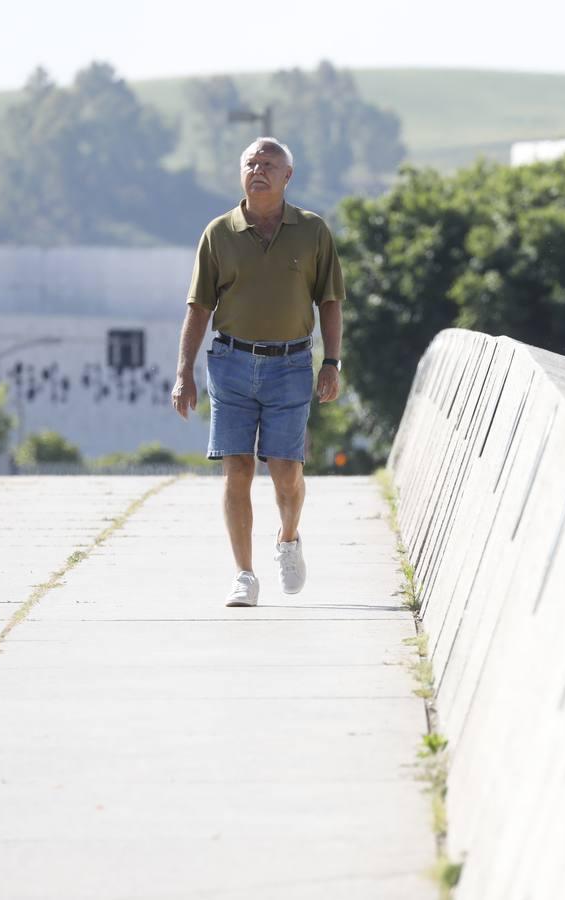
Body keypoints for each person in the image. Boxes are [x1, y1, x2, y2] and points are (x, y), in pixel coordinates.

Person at [170, 137, 344, 608]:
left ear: (288, 175)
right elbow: (198, 306)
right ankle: (244, 574)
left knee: (286, 471)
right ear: (240, 173)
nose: (258, 169)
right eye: (251, 163)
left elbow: (330, 300)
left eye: (269, 163)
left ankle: (288, 539)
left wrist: (331, 362)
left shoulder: (312, 232)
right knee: (238, 469)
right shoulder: (219, 233)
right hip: (230, 363)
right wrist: (184, 371)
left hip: (290, 364)